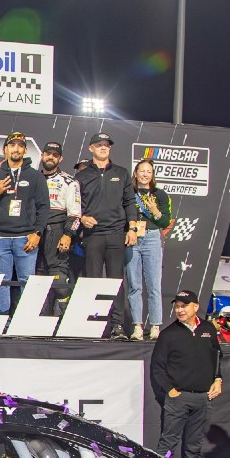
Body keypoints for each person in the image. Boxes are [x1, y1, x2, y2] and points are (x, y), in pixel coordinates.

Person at [150, 290, 223, 458]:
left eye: (184, 306)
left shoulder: (208, 329)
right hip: (178, 399)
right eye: (177, 306)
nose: (180, 310)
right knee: (167, 446)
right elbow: (157, 367)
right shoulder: (168, 334)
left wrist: (218, 379)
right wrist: (171, 390)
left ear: (196, 307)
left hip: (203, 398)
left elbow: (217, 356)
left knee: (194, 449)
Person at [76, 132, 138, 339]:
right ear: (91, 148)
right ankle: (94, 324)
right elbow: (75, 204)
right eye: (99, 145)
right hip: (92, 235)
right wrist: (82, 218)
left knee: (115, 281)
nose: (103, 148)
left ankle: (117, 325)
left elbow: (130, 202)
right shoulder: (82, 175)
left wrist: (132, 228)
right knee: (92, 280)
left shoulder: (121, 172)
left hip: (116, 233)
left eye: (106, 145)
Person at [0, 133, 49, 315]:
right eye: (12, 145)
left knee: (27, 281)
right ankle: (1, 321)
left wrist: (38, 232)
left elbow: (44, 207)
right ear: (5, 149)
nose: (16, 149)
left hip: (26, 237)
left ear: (25, 150)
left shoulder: (35, 176)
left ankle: (26, 321)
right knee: (1, 282)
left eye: (20, 145)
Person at [127, 158, 173, 340]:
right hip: (132, 238)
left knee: (154, 285)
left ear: (152, 175)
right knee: (134, 285)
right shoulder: (128, 192)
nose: (145, 175)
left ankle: (155, 326)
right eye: (142, 171)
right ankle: (137, 326)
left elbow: (165, 222)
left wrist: (155, 211)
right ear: (135, 173)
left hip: (152, 238)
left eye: (149, 172)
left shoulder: (160, 195)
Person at [37, 141, 81, 315]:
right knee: (37, 279)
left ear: (60, 158)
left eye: (55, 155)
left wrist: (68, 234)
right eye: (48, 154)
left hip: (56, 231)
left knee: (59, 280)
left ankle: (61, 320)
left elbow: (75, 214)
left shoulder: (69, 181)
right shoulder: (33, 178)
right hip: (34, 232)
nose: (51, 157)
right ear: (42, 155)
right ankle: (38, 321)